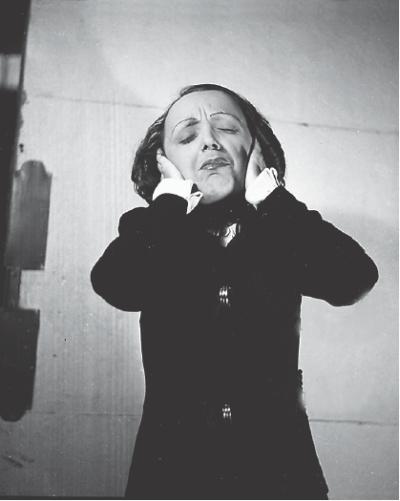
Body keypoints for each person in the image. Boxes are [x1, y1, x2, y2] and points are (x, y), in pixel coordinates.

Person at [91, 83, 378, 500]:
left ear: (256, 150)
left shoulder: (284, 231)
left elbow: (354, 277)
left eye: (226, 128)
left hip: (280, 478)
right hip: (173, 477)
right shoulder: (152, 231)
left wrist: (270, 197)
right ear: (165, 165)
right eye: (187, 137)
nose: (209, 141)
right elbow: (116, 283)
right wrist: (169, 203)